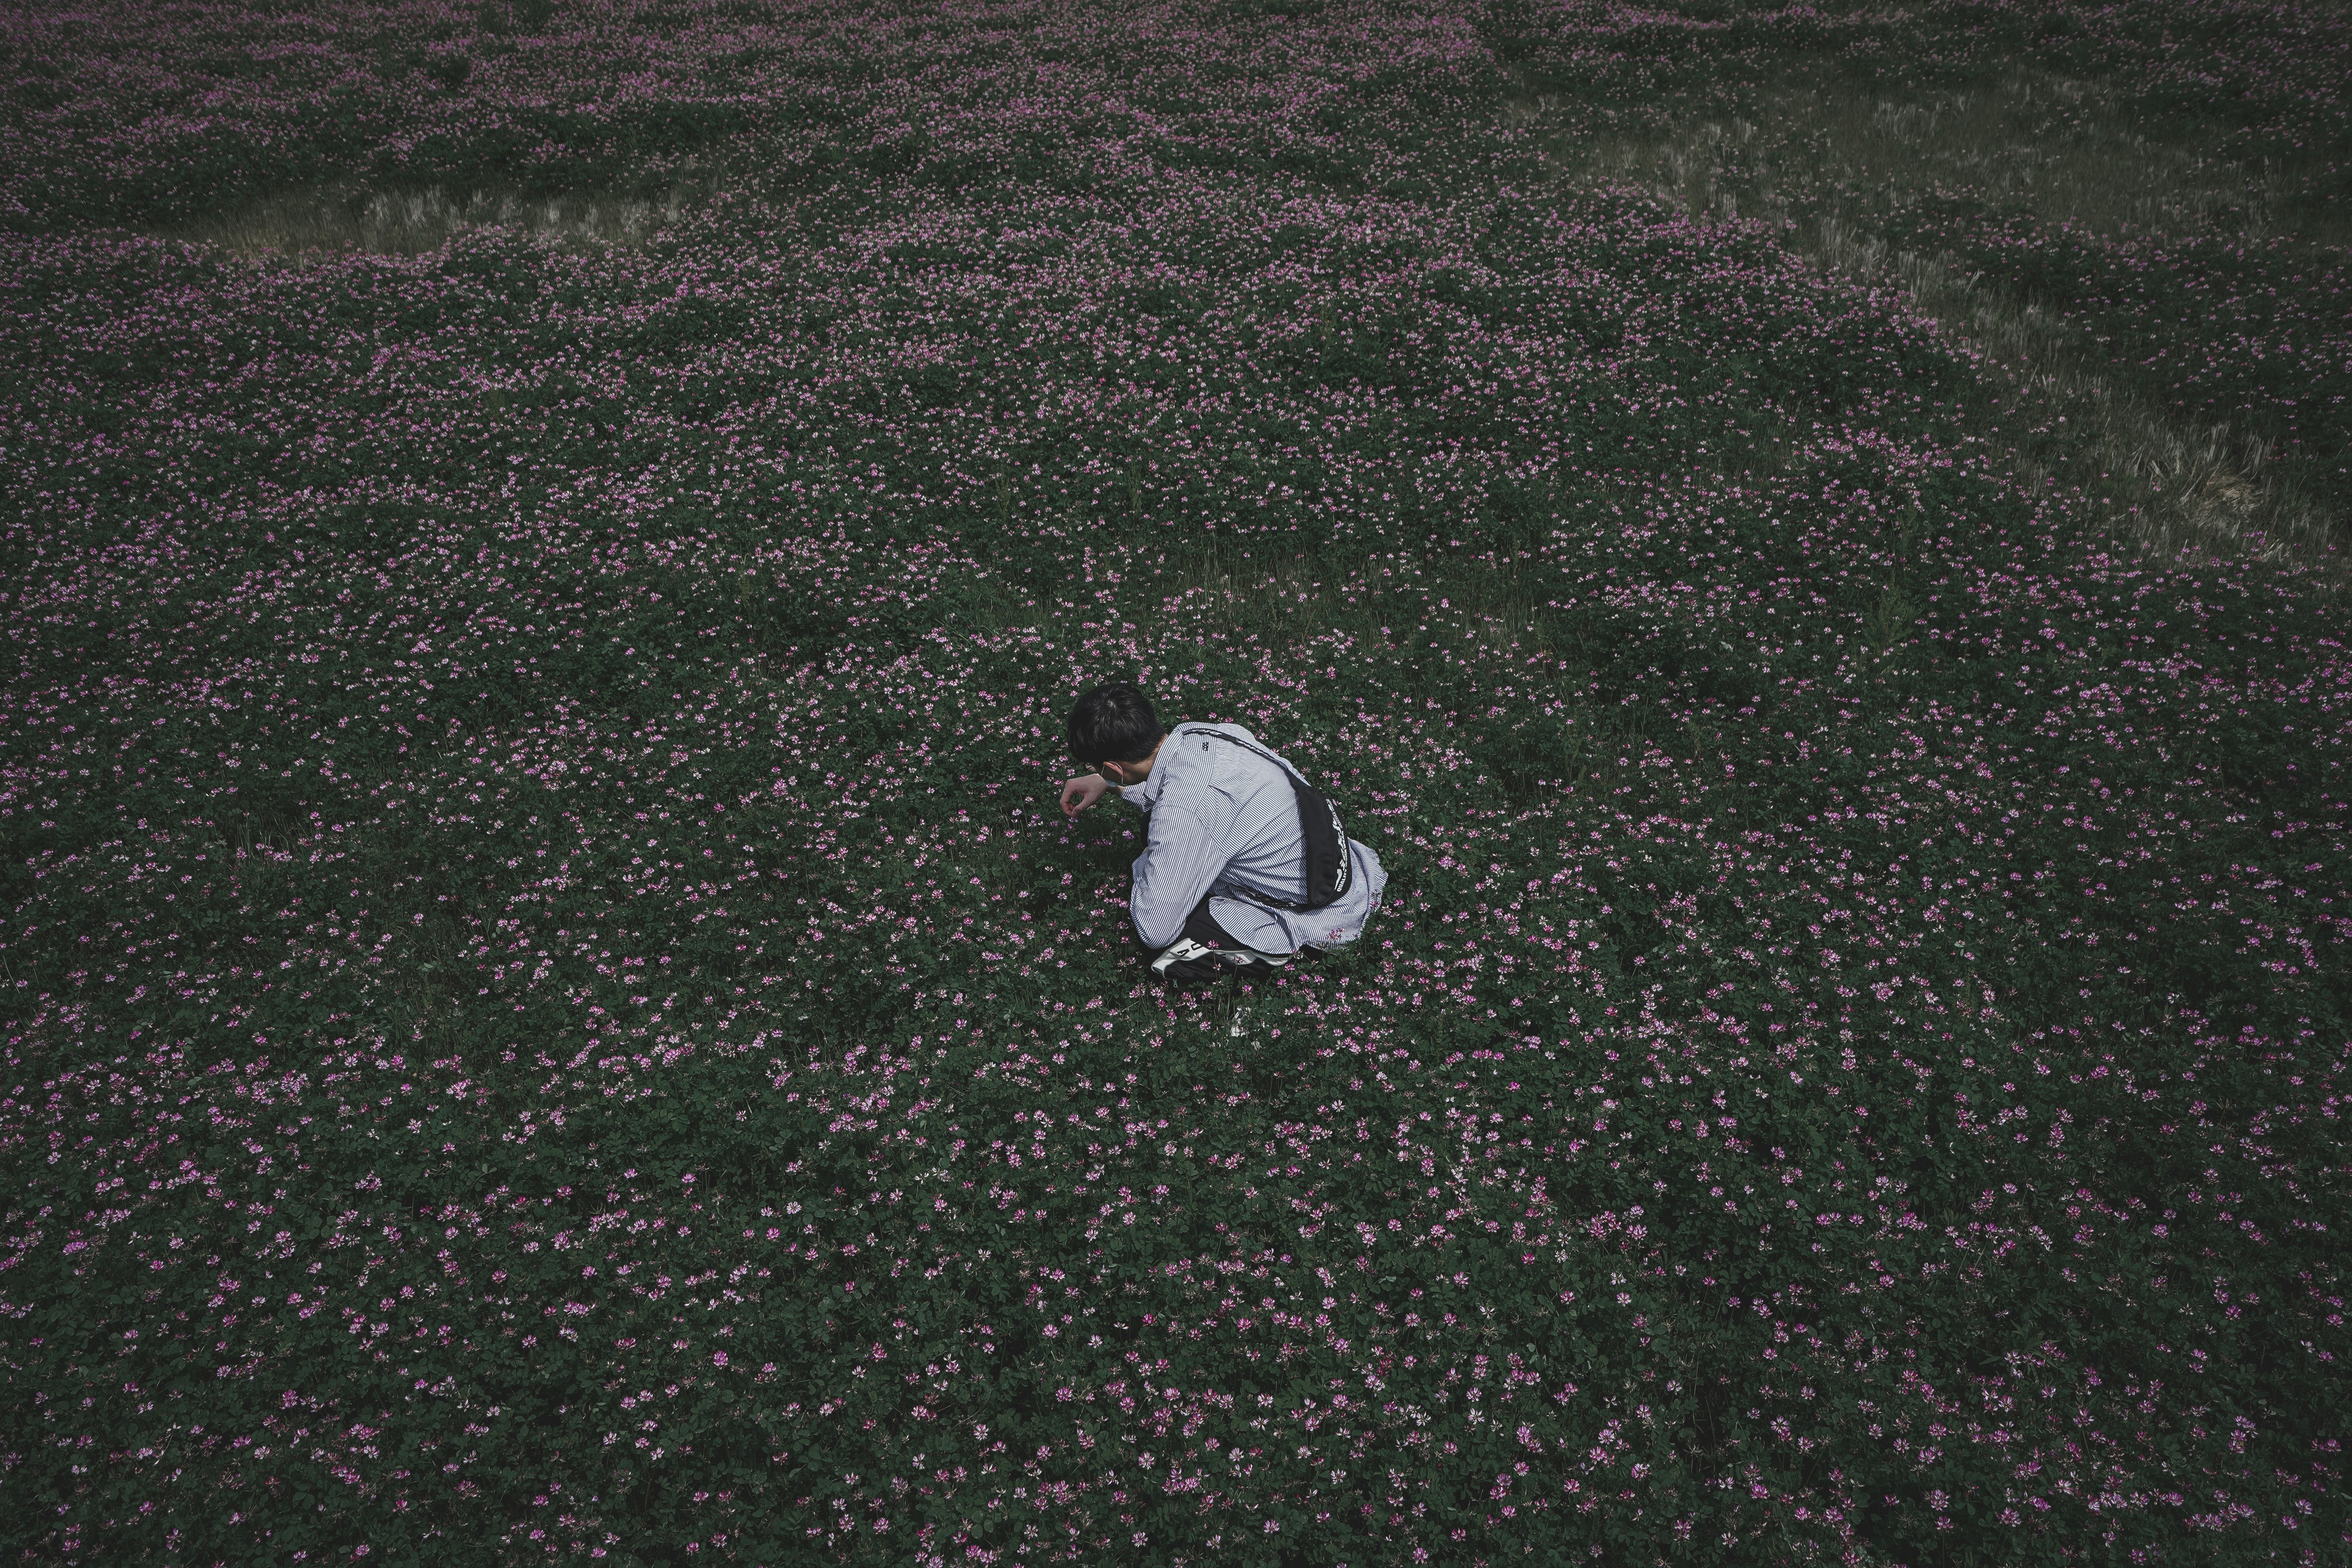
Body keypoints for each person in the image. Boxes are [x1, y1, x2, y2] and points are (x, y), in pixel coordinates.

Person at [1059, 681, 1387, 987]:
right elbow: (1163, 784)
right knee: (1155, 830)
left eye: (1101, 769)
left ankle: (1277, 955)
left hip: (1313, 913)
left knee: (1169, 953)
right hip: (1334, 867)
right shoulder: (1211, 735)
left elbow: (1155, 928)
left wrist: (1146, 864)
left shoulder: (1187, 808)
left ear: (1115, 766)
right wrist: (1107, 782)